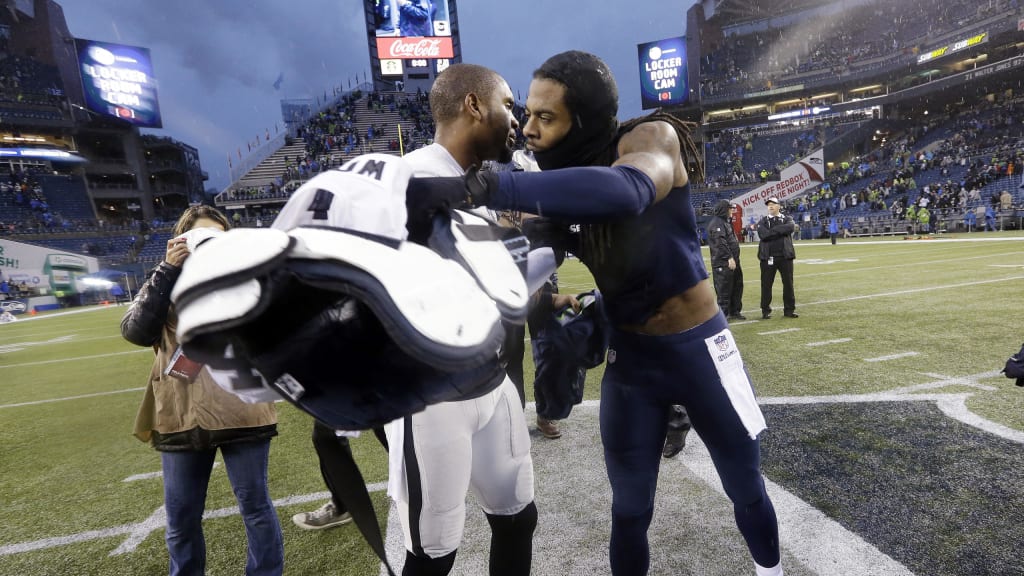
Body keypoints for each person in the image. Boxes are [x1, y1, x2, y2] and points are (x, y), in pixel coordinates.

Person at [407, 50, 782, 576]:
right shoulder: (562, 185)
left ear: (582, 119)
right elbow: (529, 263)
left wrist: (487, 185)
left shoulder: (649, 139)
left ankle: (772, 571)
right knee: (629, 508)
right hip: (631, 359)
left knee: (745, 487)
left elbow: (627, 191)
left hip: (699, 347)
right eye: (528, 113)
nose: (528, 128)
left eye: (546, 116)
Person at [391, 63, 537, 576]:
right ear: (474, 105)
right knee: (433, 555)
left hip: (493, 385)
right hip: (434, 401)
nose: (516, 121)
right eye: (509, 106)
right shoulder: (409, 173)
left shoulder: (478, 184)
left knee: (519, 519)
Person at [121, 205, 283, 576]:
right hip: (181, 412)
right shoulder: (162, 280)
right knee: (181, 516)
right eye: (199, 237)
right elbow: (136, 332)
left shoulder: (245, 276)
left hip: (241, 407)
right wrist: (167, 271)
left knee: (255, 508)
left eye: (216, 237)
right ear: (180, 241)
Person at [757, 197, 798, 319]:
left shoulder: (787, 219)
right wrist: (781, 231)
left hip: (785, 257)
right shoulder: (763, 221)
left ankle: (789, 310)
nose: (770, 206)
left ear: (779, 206)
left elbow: (790, 228)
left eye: (773, 204)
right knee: (766, 284)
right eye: (768, 204)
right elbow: (763, 235)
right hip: (767, 257)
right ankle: (765, 310)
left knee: (788, 284)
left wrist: (772, 231)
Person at [706, 199, 745, 321]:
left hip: (733, 261)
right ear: (724, 209)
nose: (732, 210)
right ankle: (723, 315)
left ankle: (735, 311)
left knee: (737, 286)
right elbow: (720, 242)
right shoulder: (717, 223)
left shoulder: (725, 222)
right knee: (724, 289)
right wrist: (729, 257)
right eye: (730, 208)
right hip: (723, 262)